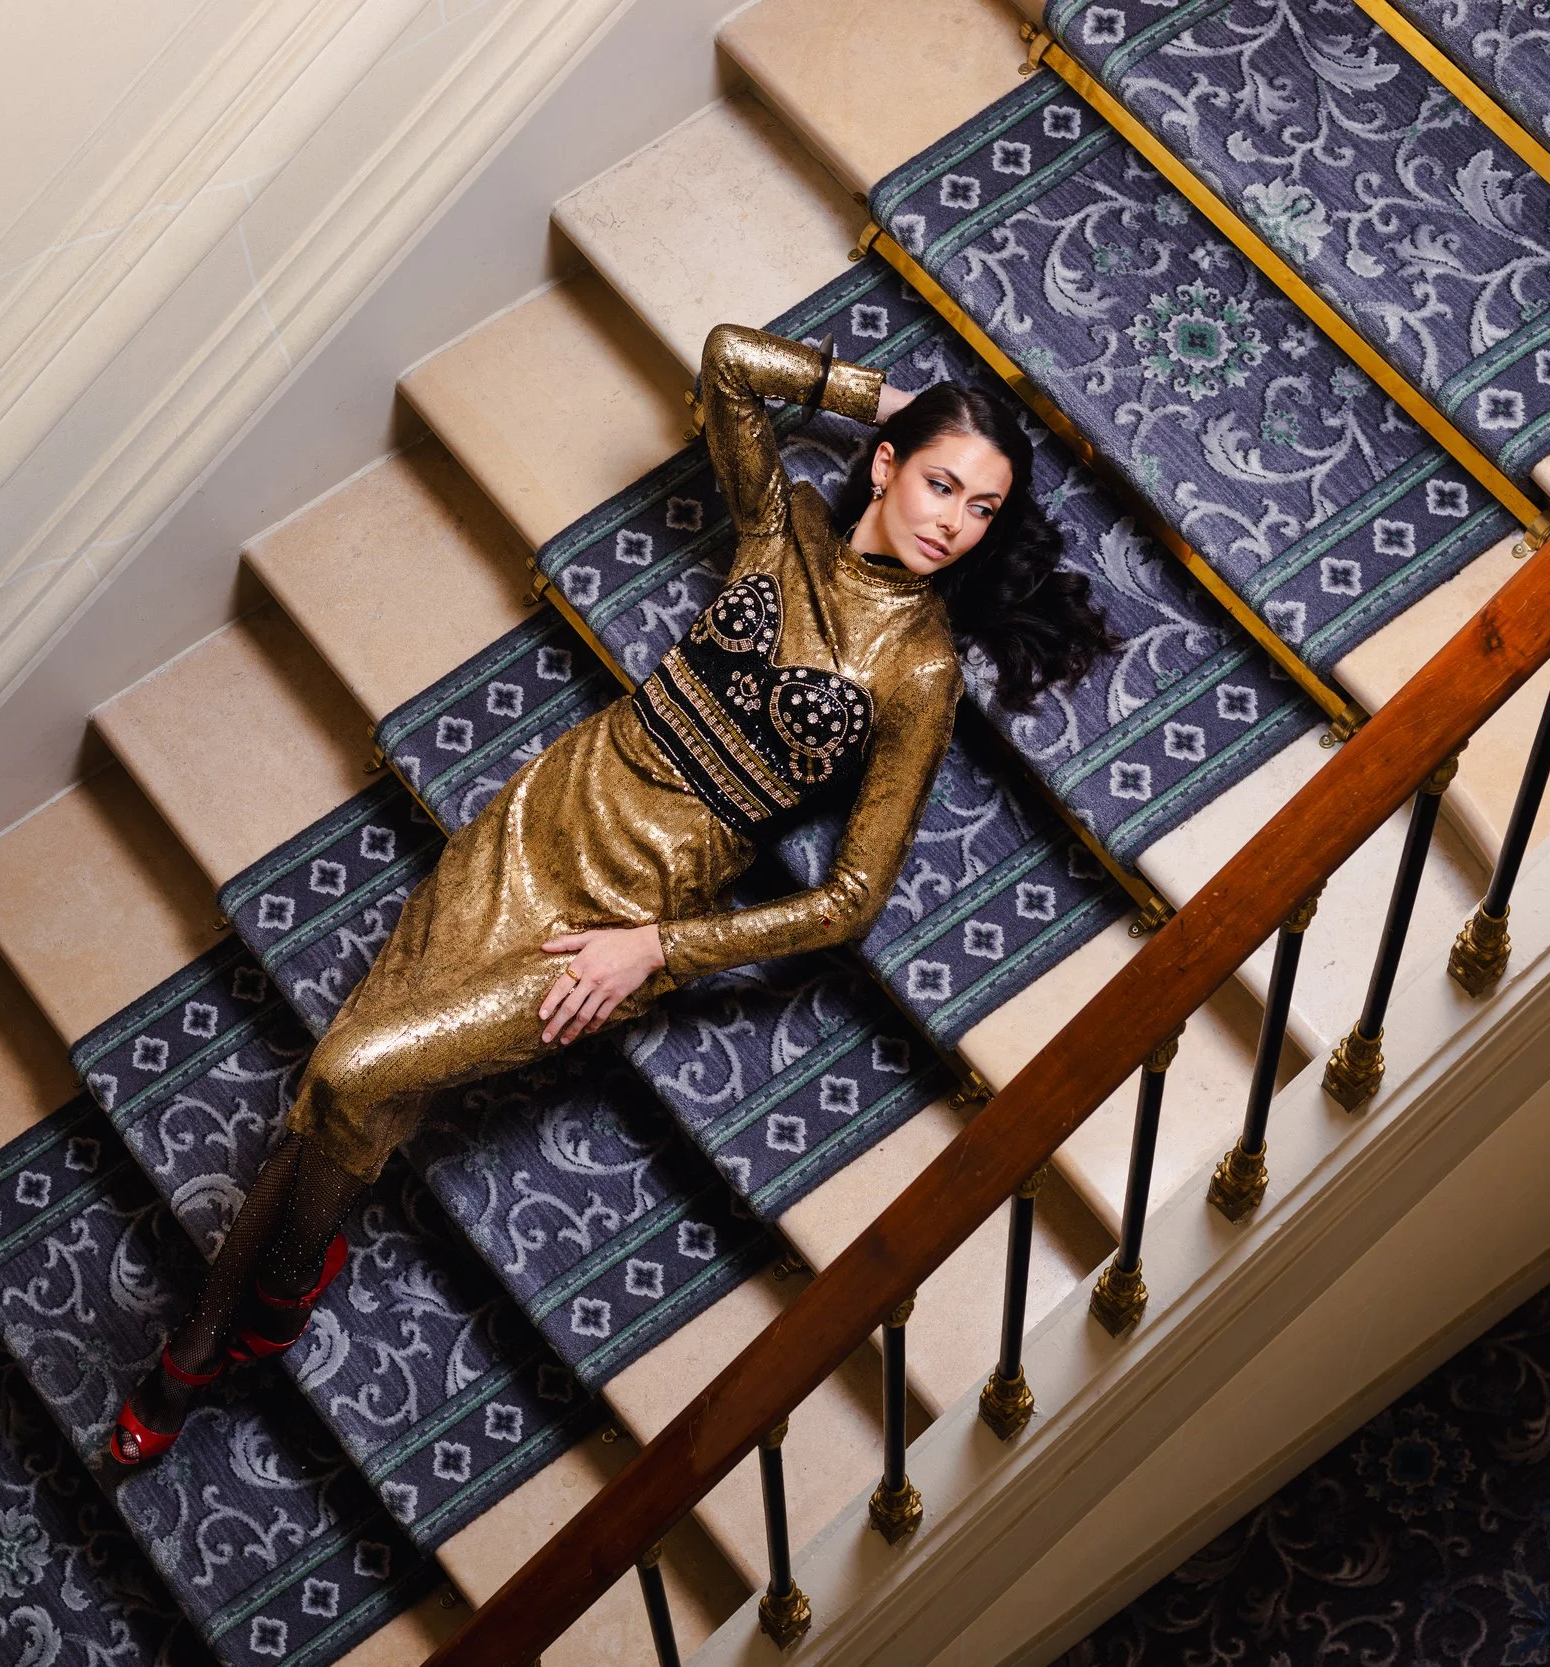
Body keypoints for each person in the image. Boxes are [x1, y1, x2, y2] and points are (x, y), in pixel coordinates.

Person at [107, 324, 1115, 1464]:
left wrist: (659, 950)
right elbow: (729, 363)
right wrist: (891, 399)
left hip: (623, 914)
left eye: (982, 509)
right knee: (359, 1088)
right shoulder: (781, 521)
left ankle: (219, 1332)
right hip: (546, 814)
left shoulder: (920, 667)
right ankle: (241, 1317)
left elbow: (850, 899)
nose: (954, 522)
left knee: (347, 1070)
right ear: (886, 464)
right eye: (940, 483)